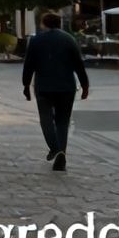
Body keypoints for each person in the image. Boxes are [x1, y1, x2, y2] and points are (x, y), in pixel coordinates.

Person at [24, 11, 89, 171]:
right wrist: (85, 85)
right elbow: (78, 65)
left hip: (44, 87)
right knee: (62, 122)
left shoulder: (36, 41)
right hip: (66, 86)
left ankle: (55, 148)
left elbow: (29, 65)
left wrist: (26, 85)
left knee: (46, 120)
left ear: (43, 24)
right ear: (59, 24)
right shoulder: (69, 39)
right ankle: (61, 153)